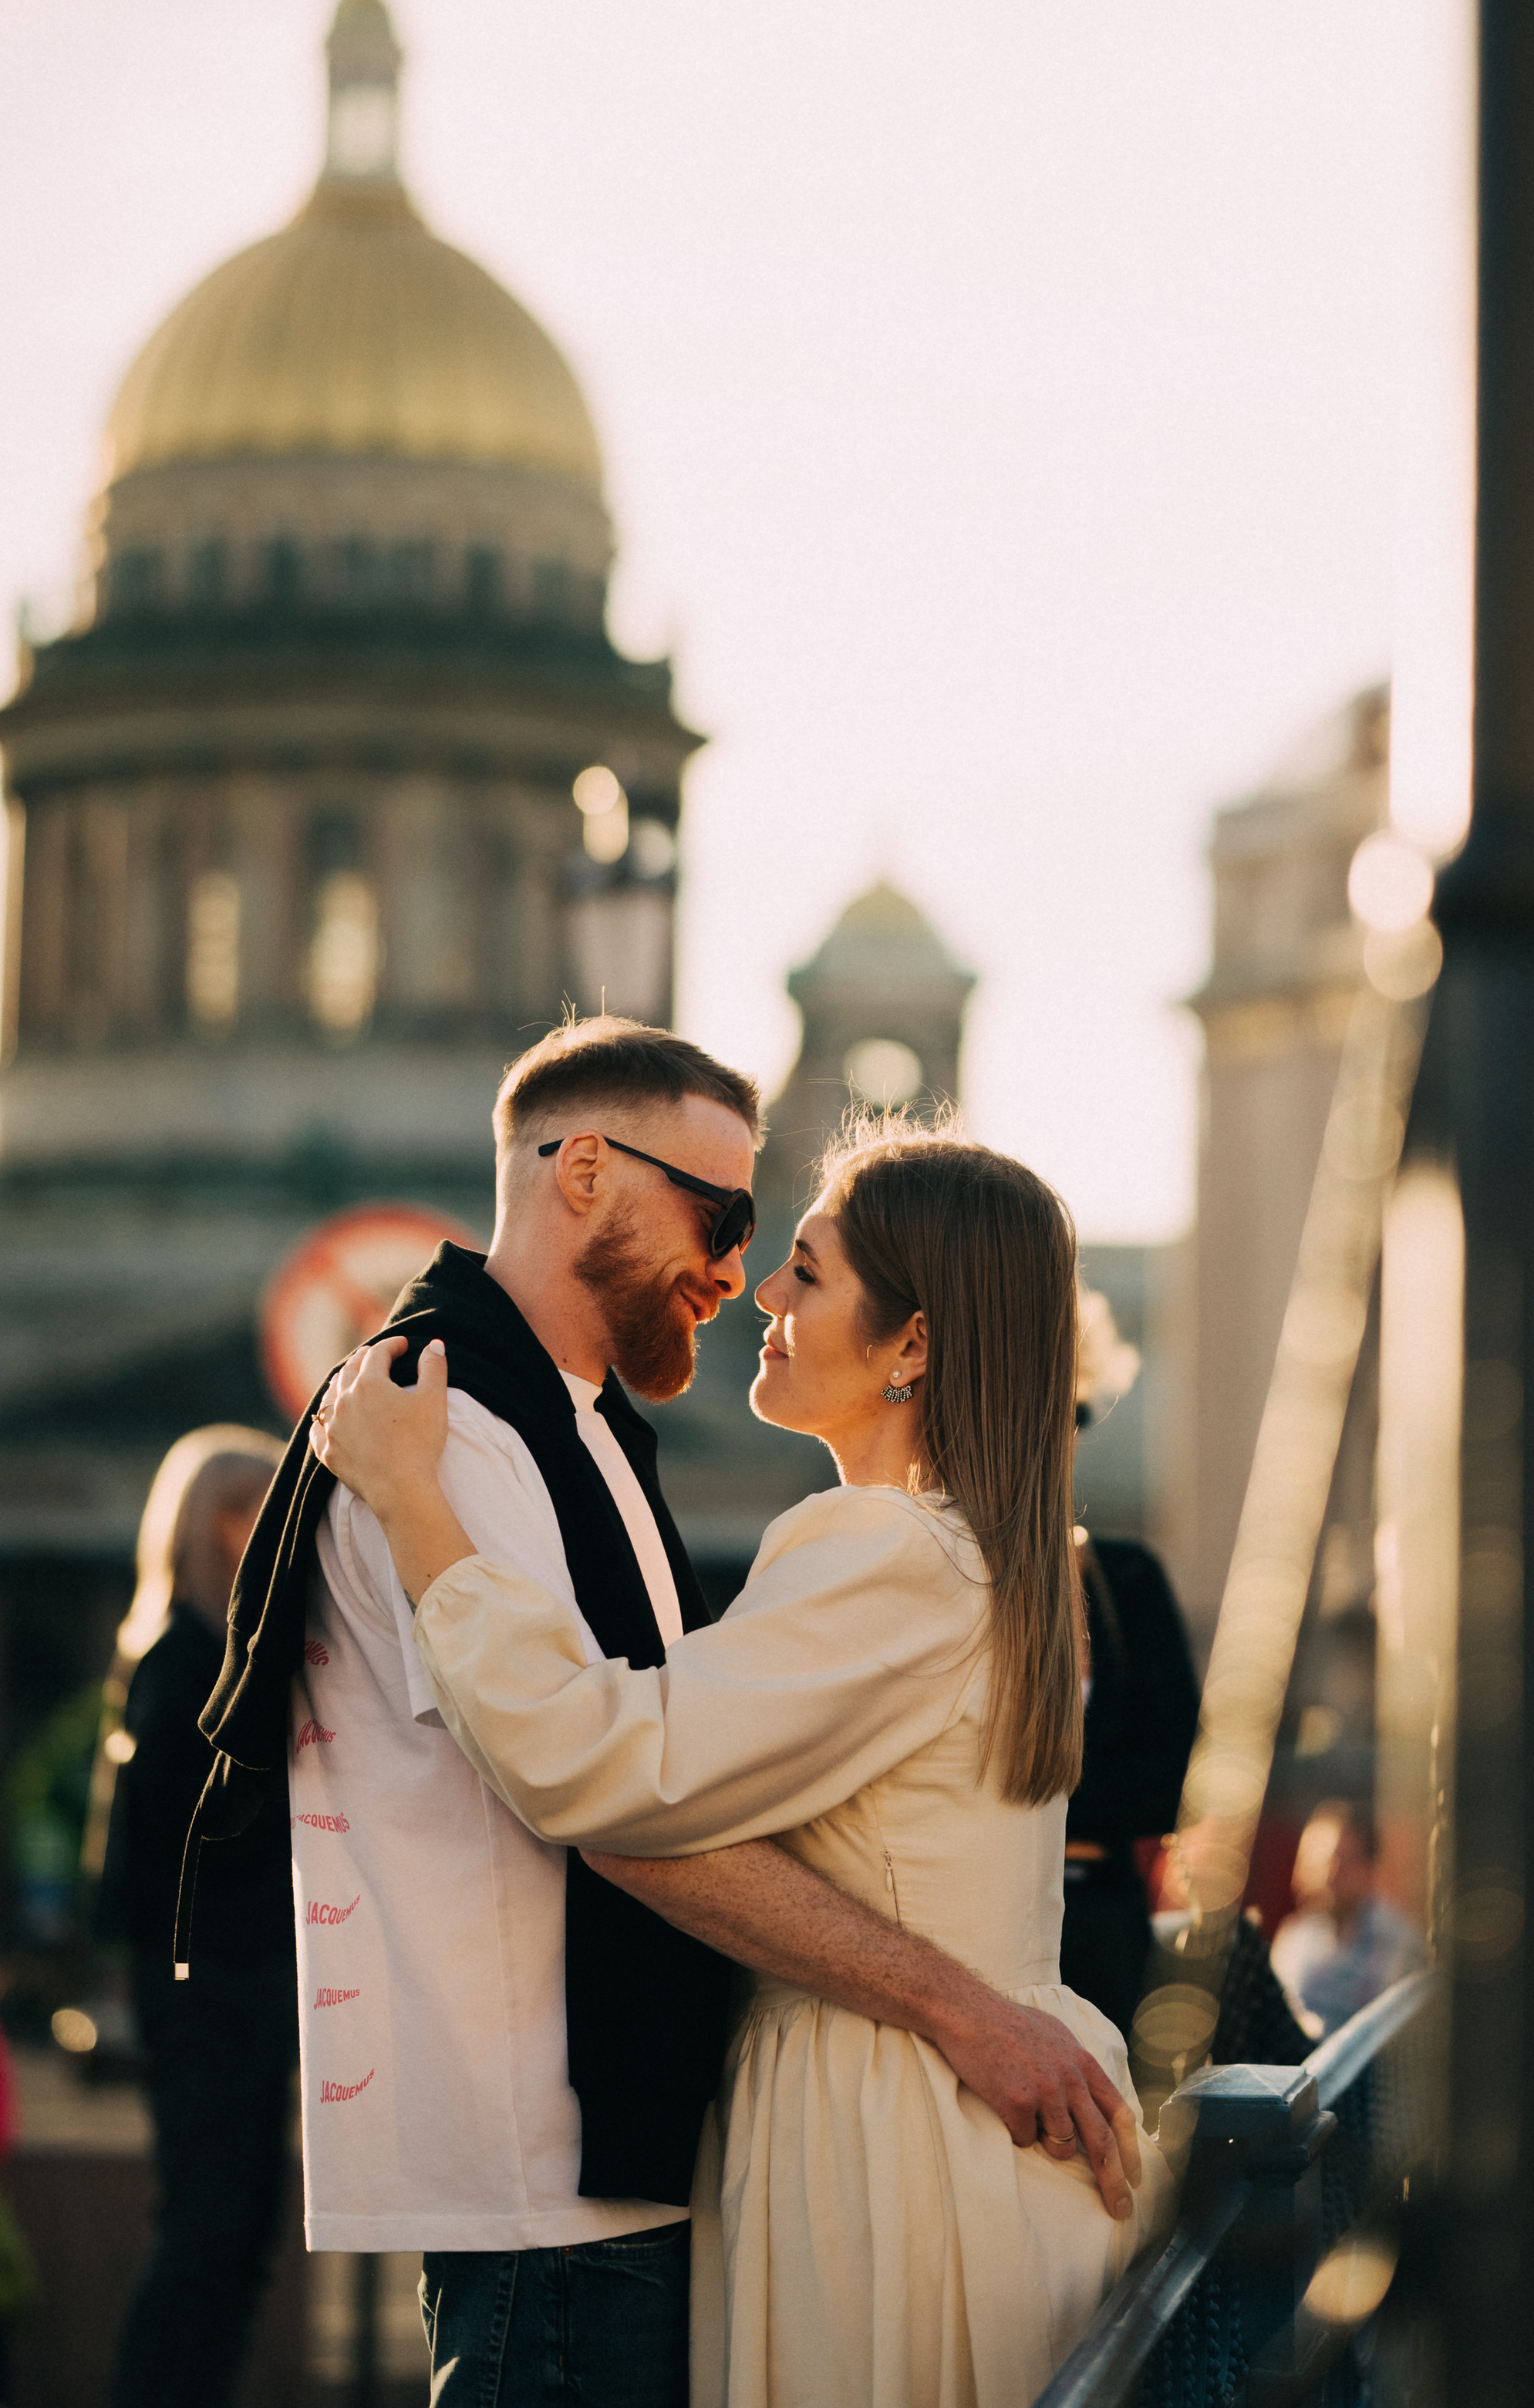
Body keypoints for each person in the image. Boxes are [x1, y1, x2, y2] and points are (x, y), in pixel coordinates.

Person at [184, 1019, 1134, 2408]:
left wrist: (415, 1503)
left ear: (913, 1340)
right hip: (865, 2131)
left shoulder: (873, 1545)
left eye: (793, 1257)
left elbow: (601, 1762)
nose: (746, 1280)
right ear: (583, 1171)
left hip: (878, 2134)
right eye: (728, 1217)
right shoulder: (960, 1541)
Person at [95, 1426, 291, 2408]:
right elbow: (193, 1846)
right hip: (215, 1991)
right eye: (266, 1510)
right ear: (220, 1521)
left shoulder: (180, 1655)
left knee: (225, 2239)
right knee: (213, 2238)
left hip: (220, 1989)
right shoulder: (188, 1664)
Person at [1060, 1288, 1199, 2038]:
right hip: (980, 1927)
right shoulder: (942, 1569)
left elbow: (1180, 1774)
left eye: (1067, 1413)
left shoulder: (1127, 1578)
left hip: (1106, 1922)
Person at [1270, 1803, 1422, 2036]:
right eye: (1314, 1860)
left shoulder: (1397, 1943)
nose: (1324, 1874)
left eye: (1336, 1861)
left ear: (1369, 1869)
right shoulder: (1296, 1937)